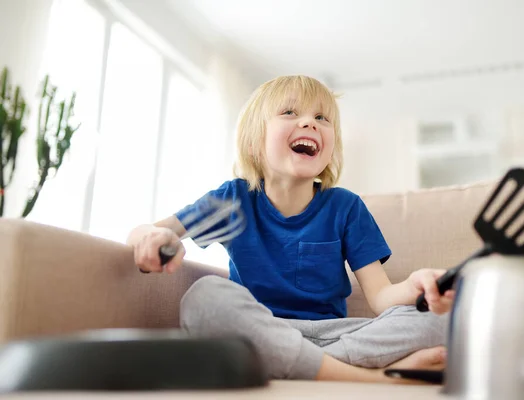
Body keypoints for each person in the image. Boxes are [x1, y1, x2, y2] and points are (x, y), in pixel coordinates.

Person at [127, 75, 454, 384]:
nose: (310, 122)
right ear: (255, 141)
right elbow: (143, 232)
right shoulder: (232, 200)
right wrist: (154, 238)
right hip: (260, 329)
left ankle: (297, 366)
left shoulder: (346, 206)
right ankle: (372, 377)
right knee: (203, 296)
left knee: (441, 320)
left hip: (334, 333)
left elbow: (382, 297)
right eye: (289, 112)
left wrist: (413, 287)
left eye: (323, 118)